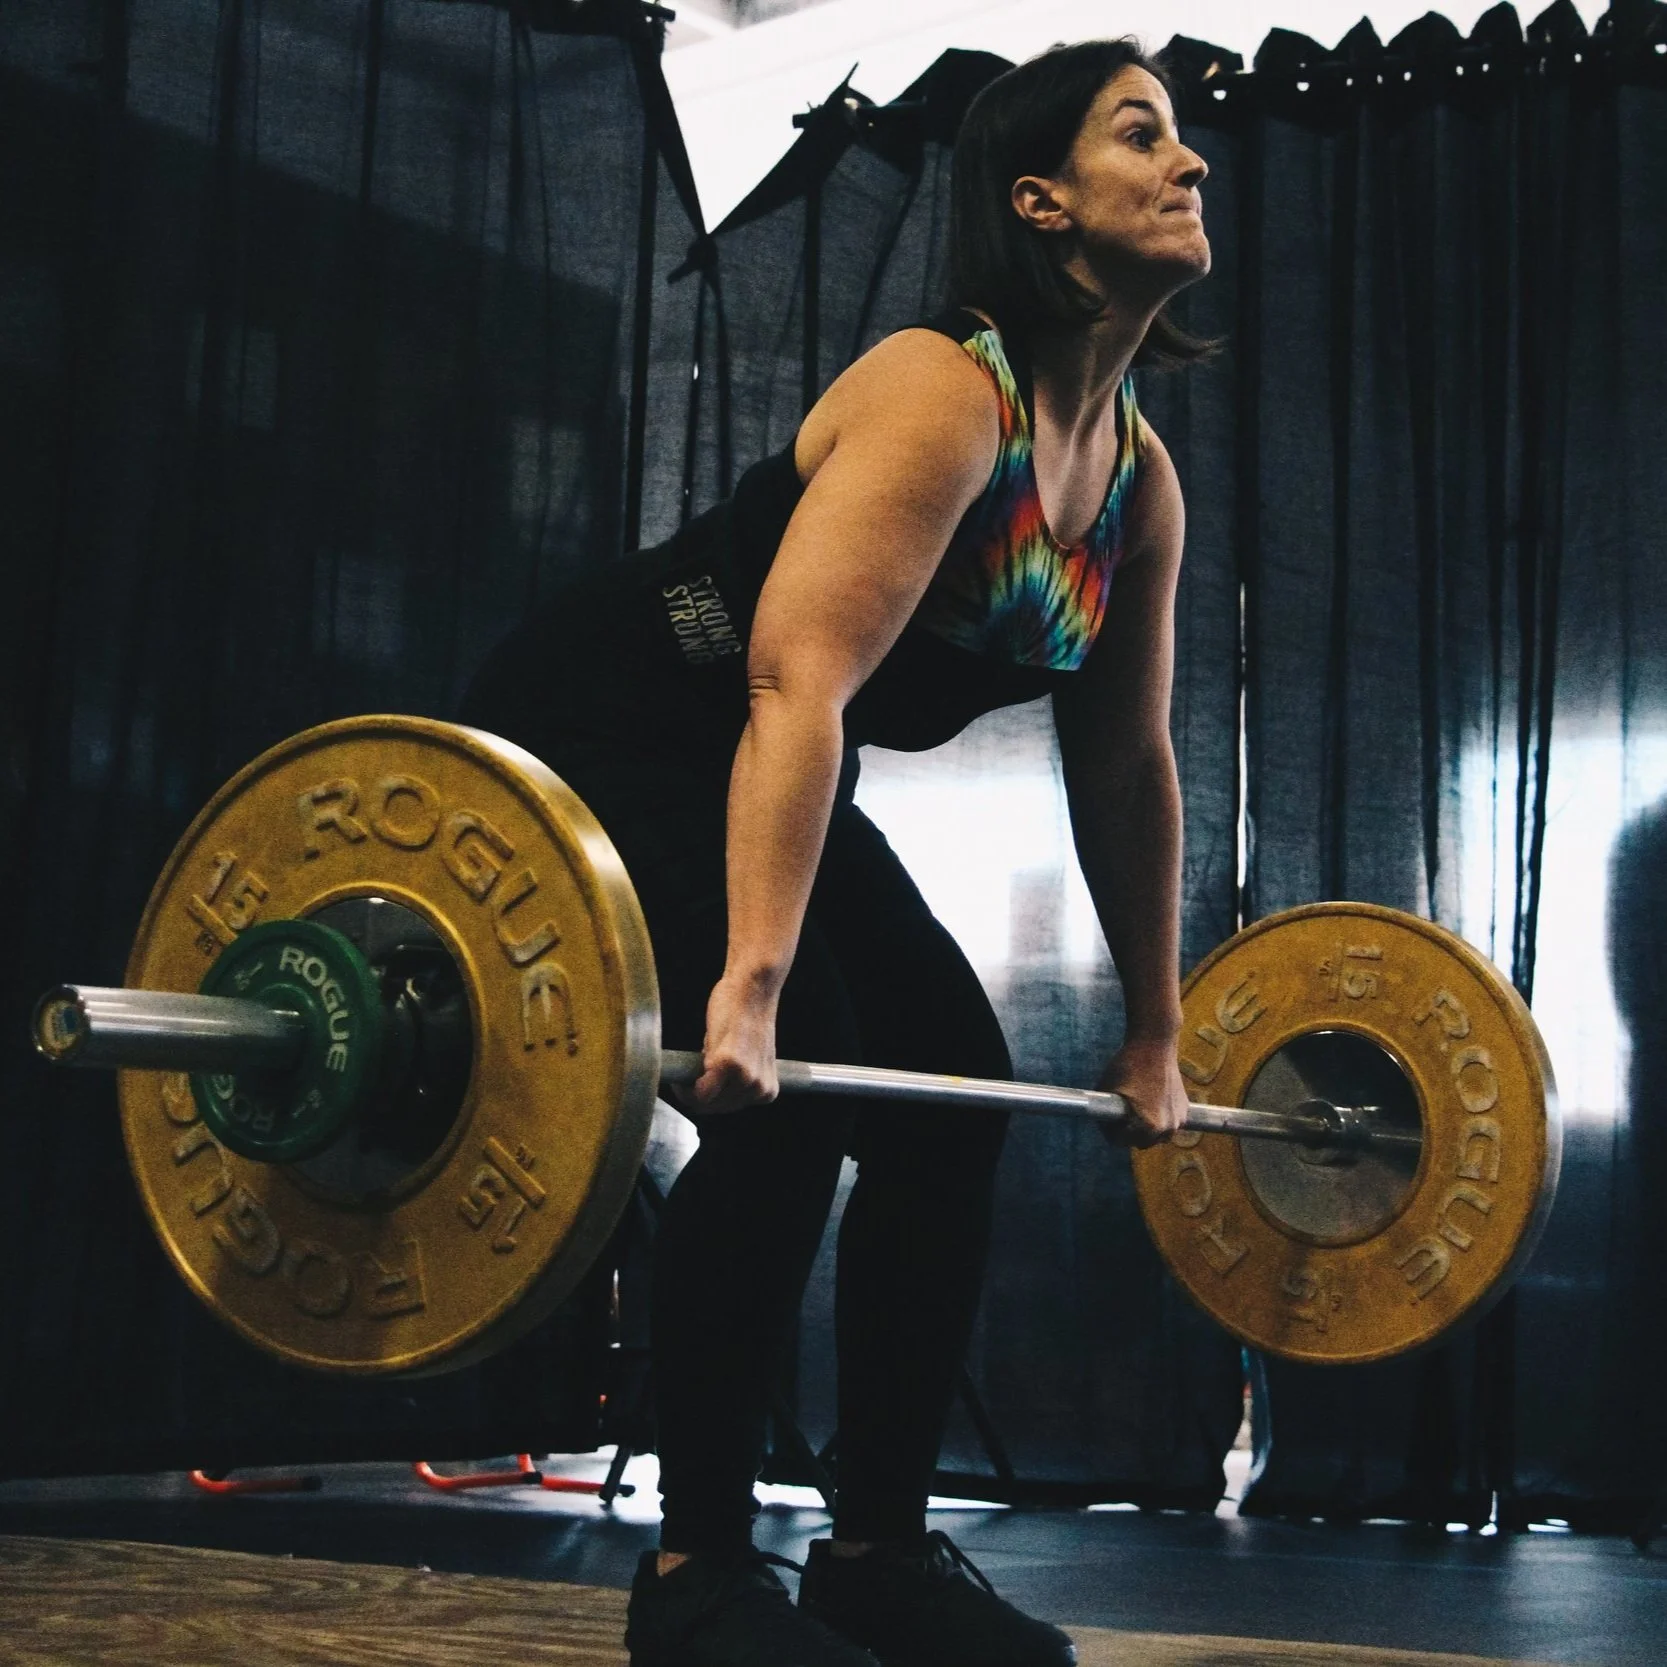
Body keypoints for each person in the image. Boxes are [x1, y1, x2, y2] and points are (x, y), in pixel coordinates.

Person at [460, 37, 1212, 1667]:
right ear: (1042, 203)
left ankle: (872, 1551)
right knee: (795, 1098)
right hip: (609, 721)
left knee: (951, 1088)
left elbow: (1127, 767)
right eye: (1140, 135)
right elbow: (792, 678)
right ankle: (696, 1576)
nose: (1189, 163)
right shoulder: (945, 392)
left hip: (759, 751)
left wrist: (1156, 1027)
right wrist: (747, 985)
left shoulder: (1135, 479)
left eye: (1184, 140)